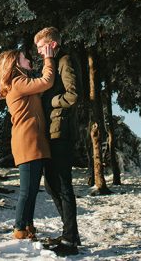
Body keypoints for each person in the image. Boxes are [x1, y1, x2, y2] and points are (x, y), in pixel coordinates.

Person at [0, 40, 57, 241]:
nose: (27, 59)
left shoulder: (22, 83)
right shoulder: (18, 83)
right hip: (28, 142)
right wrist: (48, 57)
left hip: (33, 141)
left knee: (32, 189)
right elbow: (46, 81)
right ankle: (19, 228)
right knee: (26, 190)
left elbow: (41, 85)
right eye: (24, 58)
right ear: (15, 64)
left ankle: (28, 225)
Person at [35, 26, 82, 257]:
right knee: (52, 184)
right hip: (51, 132)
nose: (38, 52)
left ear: (52, 45)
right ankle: (70, 234)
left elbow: (73, 95)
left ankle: (70, 240)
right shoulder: (52, 64)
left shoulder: (65, 60)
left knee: (62, 185)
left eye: (40, 47)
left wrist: (51, 102)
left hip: (61, 132)